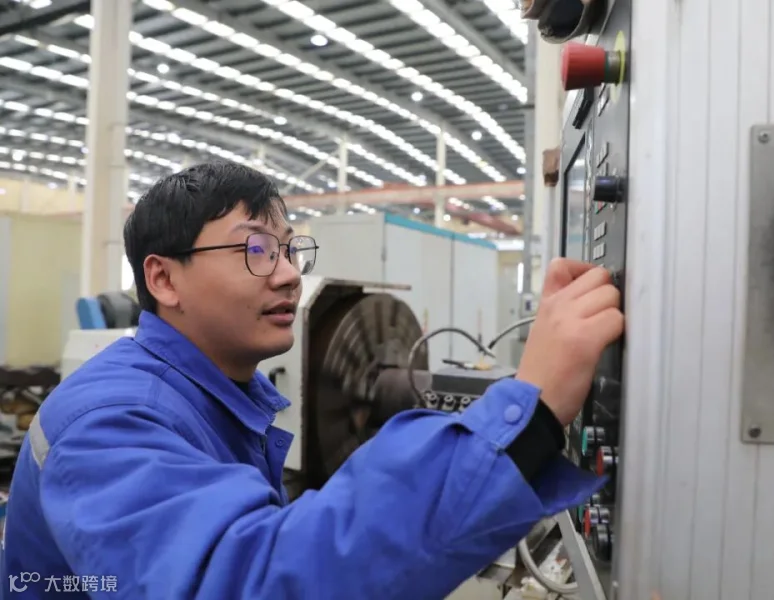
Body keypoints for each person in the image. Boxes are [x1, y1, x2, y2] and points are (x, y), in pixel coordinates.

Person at [1, 161, 624, 599]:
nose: (288, 274)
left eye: (288, 250)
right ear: (163, 279)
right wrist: (526, 413)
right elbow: (248, 582)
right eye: (255, 251)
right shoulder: (110, 420)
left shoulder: (218, 397)